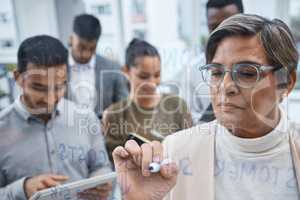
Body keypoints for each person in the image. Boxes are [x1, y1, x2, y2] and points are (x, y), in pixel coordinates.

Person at [112, 14, 300, 200]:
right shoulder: (176, 152)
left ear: (287, 82)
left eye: (246, 73)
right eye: (216, 72)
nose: (226, 86)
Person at [0, 35, 113, 199]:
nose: (50, 99)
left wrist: (101, 181)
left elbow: (101, 166)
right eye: (39, 87)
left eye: (59, 87)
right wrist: (22, 189)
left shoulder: (86, 117)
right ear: (18, 77)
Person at [103, 39, 193, 162]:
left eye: (157, 75)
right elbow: (114, 162)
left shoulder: (177, 105)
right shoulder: (114, 114)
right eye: (143, 76)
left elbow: (191, 150)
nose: (152, 83)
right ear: (126, 71)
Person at [180, 0, 244, 124]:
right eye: (214, 27)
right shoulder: (193, 70)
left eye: (229, 25)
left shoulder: (262, 64)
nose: (222, 32)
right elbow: (189, 122)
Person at [67, 14, 128, 118]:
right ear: (71, 39)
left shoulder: (113, 68)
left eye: (92, 49)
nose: (86, 54)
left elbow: (124, 107)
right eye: (81, 47)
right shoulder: (56, 66)